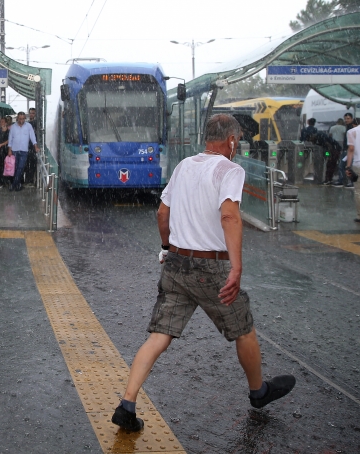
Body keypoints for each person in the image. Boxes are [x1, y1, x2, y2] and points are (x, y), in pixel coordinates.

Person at [111, 114, 296, 432]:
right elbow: (230, 216)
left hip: (176, 263)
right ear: (232, 140)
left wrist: (167, 246)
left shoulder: (184, 166)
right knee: (243, 327)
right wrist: (235, 267)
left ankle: (127, 403)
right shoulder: (230, 170)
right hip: (211, 267)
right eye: (238, 139)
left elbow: (162, 212)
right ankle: (258, 392)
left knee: (159, 336)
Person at [7, 112, 39, 191]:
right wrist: (9, 150)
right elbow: (10, 139)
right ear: (17, 118)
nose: (21, 120)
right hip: (14, 150)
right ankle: (18, 184)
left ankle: (14, 185)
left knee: (20, 168)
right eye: (20, 119)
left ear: (25, 118)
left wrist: (36, 146)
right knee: (16, 168)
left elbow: (32, 137)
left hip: (24, 150)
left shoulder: (28, 126)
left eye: (23, 119)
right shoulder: (13, 127)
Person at [334, 113, 356, 188]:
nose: (346, 120)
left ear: (352, 119)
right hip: (347, 149)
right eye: (345, 119)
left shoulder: (351, 128)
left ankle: (345, 181)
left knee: (344, 165)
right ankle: (345, 180)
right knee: (344, 165)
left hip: (348, 150)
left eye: (348, 118)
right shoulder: (348, 127)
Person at [24, 107, 38, 187]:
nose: (32, 114)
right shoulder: (28, 124)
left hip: (32, 146)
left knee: (32, 164)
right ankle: (28, 180)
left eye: (33, 113)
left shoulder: (35, 123)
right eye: (31, 113)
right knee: (28, 164)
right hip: (27, 146)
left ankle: (31, 180)